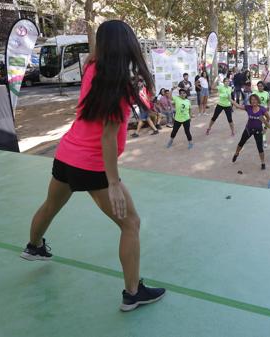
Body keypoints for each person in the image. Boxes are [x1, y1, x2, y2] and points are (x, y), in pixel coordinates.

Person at [20, 20, 166, 311]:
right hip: (93, 165)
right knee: (131, 223)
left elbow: (95, 55)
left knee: (50, 205)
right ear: (129, 46)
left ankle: (34, 246)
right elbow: (108, 138)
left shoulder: (91, 68)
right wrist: (112, 182)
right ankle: (132, 293)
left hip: (66, 155)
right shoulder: (118, 84)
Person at [231, 94, 270, 170]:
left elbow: (268, 118)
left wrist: (265, 128)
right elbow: (238, 106)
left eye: (255, 99)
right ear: (250, 101)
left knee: (260, 147)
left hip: (258, 130)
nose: (254, 101)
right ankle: (236, 154)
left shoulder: (262, 109)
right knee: (241, 143)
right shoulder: (248, 107)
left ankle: (263, 162)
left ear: (258, 100)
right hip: (248, 129)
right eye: (252, 99)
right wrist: (230, 99)